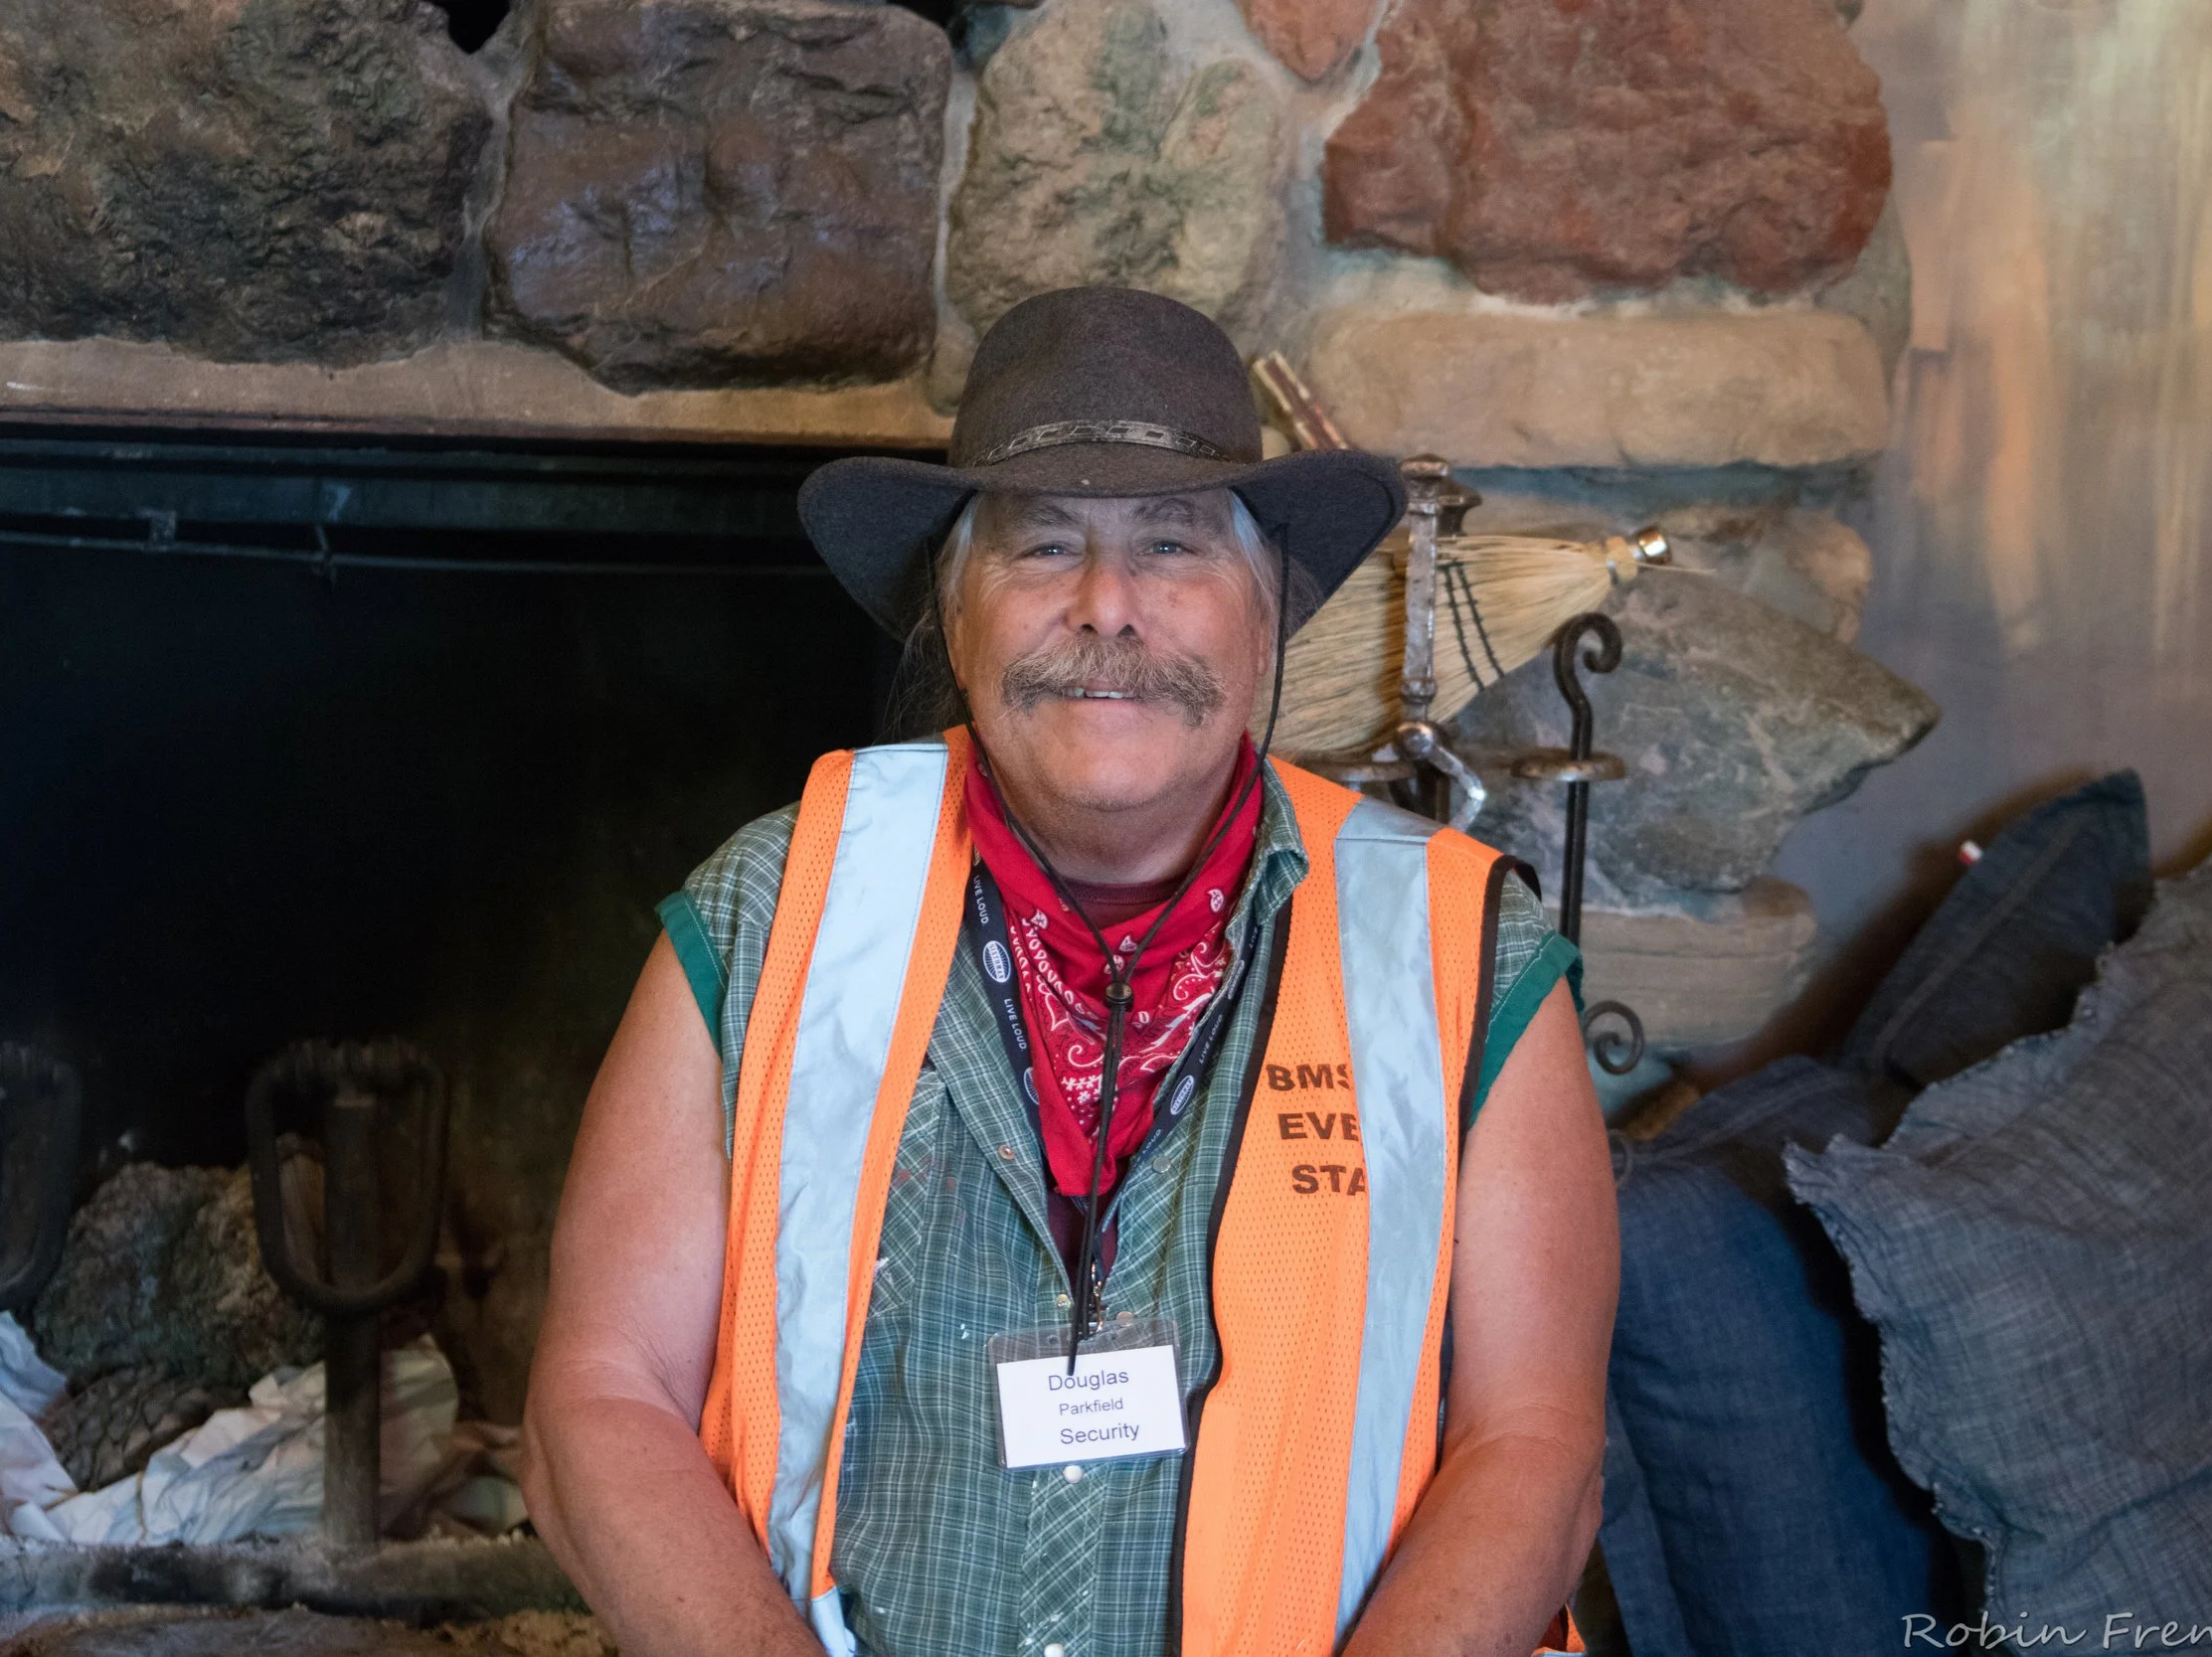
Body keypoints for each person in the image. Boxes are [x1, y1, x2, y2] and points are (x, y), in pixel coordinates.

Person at [522, 286, 1620, 1657]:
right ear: (956, 608)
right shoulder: (769, 904)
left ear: (1268, 610)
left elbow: (1538, 1445)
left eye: (1172, 543)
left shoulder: (1465, 950)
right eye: (1043, 545)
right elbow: (600, 1398)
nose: (1109, 607)